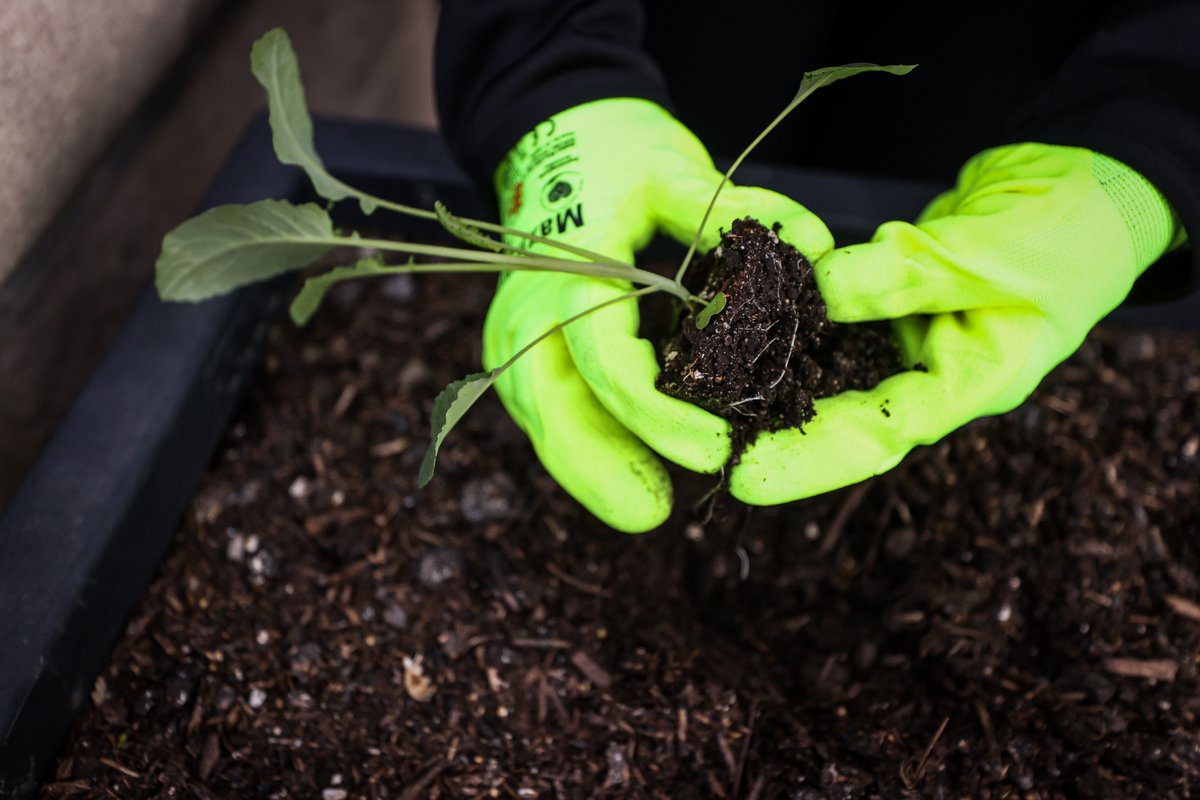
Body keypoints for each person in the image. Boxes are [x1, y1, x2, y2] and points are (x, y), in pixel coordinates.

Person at [434, 1, 1198, 533]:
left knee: (934, 144)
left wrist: (1156, 132)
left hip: (1047, 48)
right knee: (714, 101)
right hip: (666, 45)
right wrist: (551, 77)